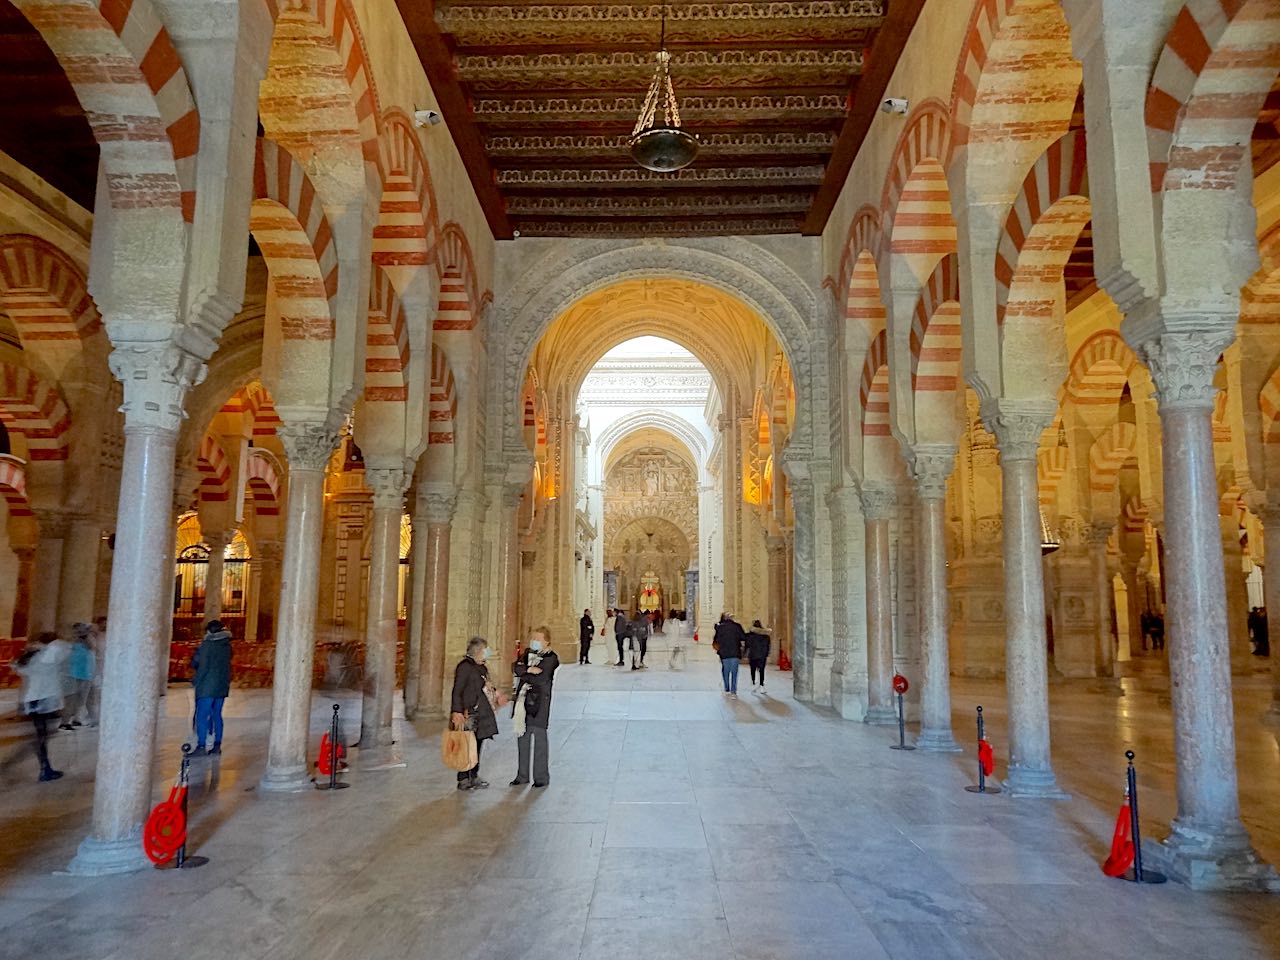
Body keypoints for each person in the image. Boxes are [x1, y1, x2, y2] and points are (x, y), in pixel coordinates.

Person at [14, 632, 70, 781]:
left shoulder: (32, 657)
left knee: (42, 734)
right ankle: (45, 768)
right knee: (45, 735)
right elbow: (65, 647)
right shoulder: (49, 655)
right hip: (46, 700)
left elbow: (19, 669)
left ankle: (45, 766)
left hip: (32, 699)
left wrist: (35, 647)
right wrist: (43, 645)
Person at [511, 626, 560, 788]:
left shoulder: (551, 658)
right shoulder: (526, 654)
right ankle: (522, 775)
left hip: (539, 704)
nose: (535, 642)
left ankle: (541, 777)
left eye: (538, 639)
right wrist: (529, 670)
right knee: (522, 740)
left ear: (546, 641)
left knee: (539, 739)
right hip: (522, 703)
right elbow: (516, 668)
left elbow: (542, 678)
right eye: (533, 638)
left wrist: (525, 673)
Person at [450, 637, 499, 790]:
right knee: (465, 745)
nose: (488, 652)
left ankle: (474, 775)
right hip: (467, 712)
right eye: (486, 649)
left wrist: (496, 695)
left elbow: (485, 688)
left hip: (481, 712)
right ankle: (463, 778)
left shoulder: (482, 668)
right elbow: (457, 690)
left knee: (477, 744)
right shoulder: (464, 667)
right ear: (478, 651)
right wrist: (456, 710)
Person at [190, 619, 233, 756]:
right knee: (217, 715)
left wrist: (196, 680)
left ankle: (201, 745)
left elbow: (199, 664)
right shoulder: (227, 646)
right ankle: (217, 745)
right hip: (221, 685)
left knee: (202, 715)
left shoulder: (207, 645)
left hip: (207, 685)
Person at [61, 623, 96, 729]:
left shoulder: (88, 640)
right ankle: (65, 722)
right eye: (77, 630)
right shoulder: (70, 641)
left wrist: (86, 635)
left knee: (82, 699)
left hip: (86, 673)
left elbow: (92, 647)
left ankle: (77, 719)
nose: (79, 632)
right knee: (71, 698)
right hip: (73, 673)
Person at [713, 612, 746, 698]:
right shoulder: (737, 626)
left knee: (726, 671)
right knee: (734, 672)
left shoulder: (720, 627)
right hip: (735, 652)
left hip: (724, 653)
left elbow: (716, 639)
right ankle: (733, 691)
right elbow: (743, 637)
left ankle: (726, 689)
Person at [745, 619, 772, 693]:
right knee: (762, 670)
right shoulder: (766, 636)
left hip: (752, 655)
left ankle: (753, 681)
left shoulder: (749, 635)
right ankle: (761, 685)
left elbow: (747, 645)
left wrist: (745, 653)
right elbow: (768, 646)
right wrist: (766, 654)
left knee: (753, 669)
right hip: (762, 655)